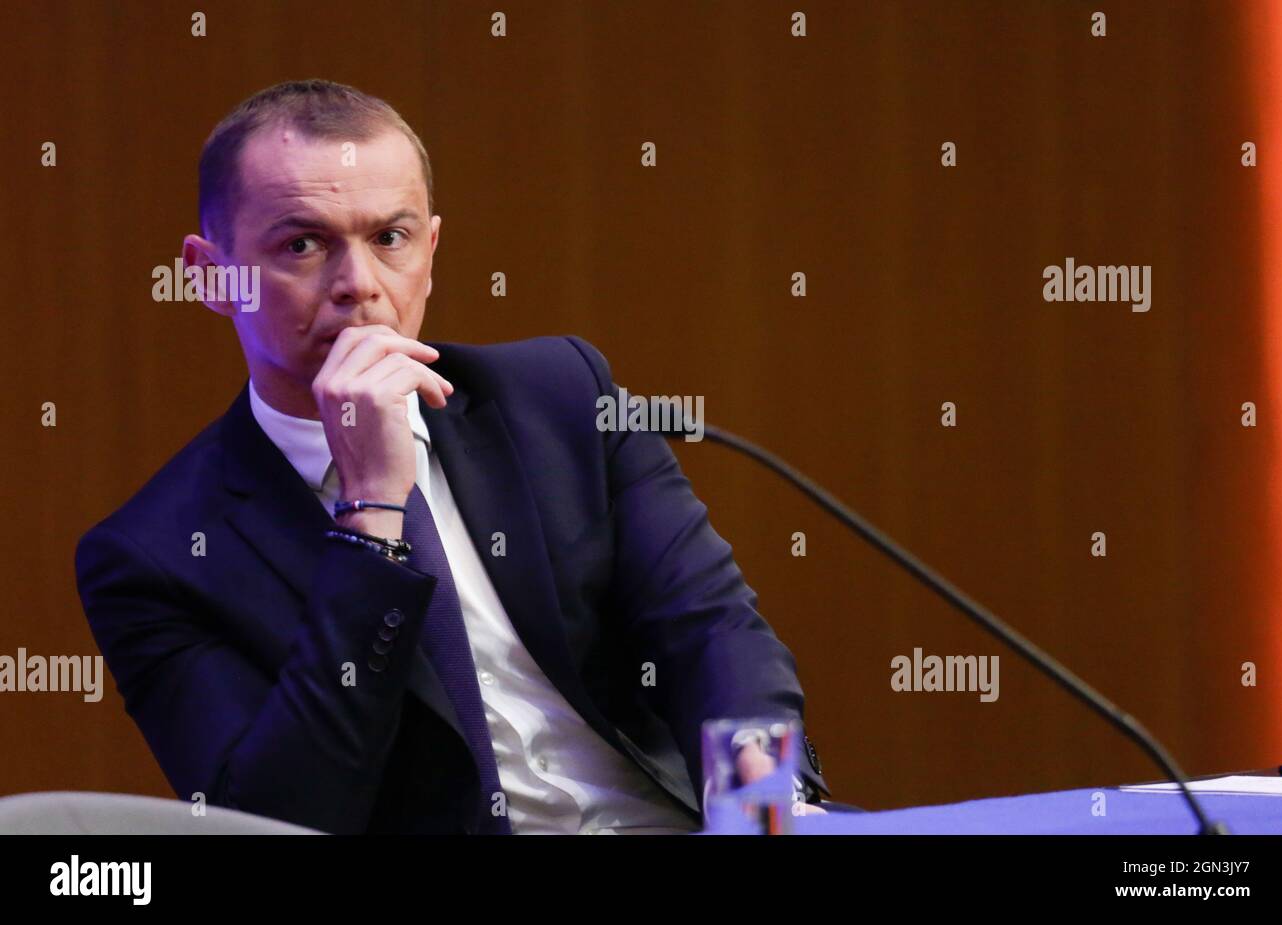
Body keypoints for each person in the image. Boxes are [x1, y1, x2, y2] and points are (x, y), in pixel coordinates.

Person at [74, 79, 833, 834]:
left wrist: (756, 807)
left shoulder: (562, 397)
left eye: (389, 239)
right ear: (211, 275)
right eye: (302, 244)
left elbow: (710, 630)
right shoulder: (154, 557)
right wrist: (370, 518)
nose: (359, 286)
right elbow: (279, 816)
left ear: (430, 252)